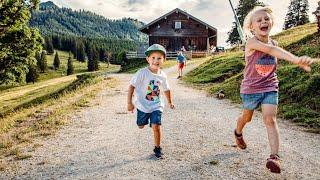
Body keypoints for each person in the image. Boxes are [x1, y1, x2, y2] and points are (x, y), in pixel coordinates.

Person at [234, 6, 314, 173]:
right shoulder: (251, 42)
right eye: (259, 20)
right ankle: (238, 131)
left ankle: (274, 157)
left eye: (267, 19)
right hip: (251, 88)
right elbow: (270, 50)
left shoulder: (275, 43)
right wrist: (296, 59)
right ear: (252, 27)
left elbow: (273, 48)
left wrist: (298, 61)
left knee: (270, 119)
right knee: (247, 117)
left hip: (270, 86)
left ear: (271, 23)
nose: (264, 21)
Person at [127, 44, 175, 159]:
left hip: (156, 105)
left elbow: (167, 89)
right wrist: (129, 102)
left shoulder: (162, 75)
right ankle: (143, 121)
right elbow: (131, 86)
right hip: (142, 106)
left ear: (164, 60)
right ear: (147, 59)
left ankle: (157, 148)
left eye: (159, 58)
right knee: (141, 125)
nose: (156, 60)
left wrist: (170, 102)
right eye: (153, 58)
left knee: (156, 125)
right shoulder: (142, 73)